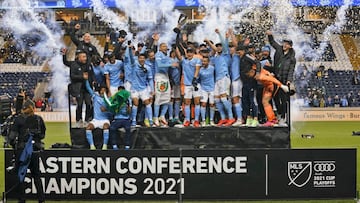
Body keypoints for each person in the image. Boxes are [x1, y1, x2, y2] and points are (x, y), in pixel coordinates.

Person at [9, 97, 45, 203]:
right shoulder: (38, 119)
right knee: (36, 176)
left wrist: (14, 146)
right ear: (33, 108)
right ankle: (41, 200)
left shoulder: (19, 119)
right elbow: (42, 135)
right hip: (34, 150)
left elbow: (12, 137)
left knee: (21, 175)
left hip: (22, 150)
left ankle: (22, 199)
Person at [204, 28, 235, 126]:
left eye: (220, 46)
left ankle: (231, 117)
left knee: (223, 98)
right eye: (217, 46)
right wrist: (208, 43)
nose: (219, 48)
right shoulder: (215, 58)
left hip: (224, 78)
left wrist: (219, 34)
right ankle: (223, 118)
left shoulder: (226, 55)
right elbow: (212, 52)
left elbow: (224, 44)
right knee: (217, 99)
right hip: (217, 80)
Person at [266, 30, 296, 126]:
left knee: (283, 100)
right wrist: (270, 35)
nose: (284, 45)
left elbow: (291, 70)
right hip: (276, 78)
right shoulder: (279, 50)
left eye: (286, 44)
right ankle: (279, 114)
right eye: (284, 43)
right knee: (275, 97)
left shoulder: (292, 58)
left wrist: (289, 80)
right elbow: (272, 43)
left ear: (290, 46)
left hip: (284, 81)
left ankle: (283, 117)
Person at [62, 48, 92, 127]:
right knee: (80, 104)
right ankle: (79, 120)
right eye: (83, 57)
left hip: (87, 88)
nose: (85, 58)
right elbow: (72, 76)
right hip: (78, 88)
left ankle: (87, 120)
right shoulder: (74, 65)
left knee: (89, 104)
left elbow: (91, 75)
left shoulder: (88, 64)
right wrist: (82, 77)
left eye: (85, 56)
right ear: (78, 57)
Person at [175, 46, 201, 127]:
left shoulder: (197, 60)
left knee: (197, 102)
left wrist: (194, 78)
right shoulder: (184, 61)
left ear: (193, 53)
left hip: (195, 84)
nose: (189, 53)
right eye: (188, 52)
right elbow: (178, 54)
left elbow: (197, 69)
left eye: (191, 52)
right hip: (187, 85)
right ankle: (187, 120)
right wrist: (176, 43)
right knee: (187, 102)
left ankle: (196, 120)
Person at [128, 48, 154, 127]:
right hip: (134, 88)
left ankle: (150, 120)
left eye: (143, 58)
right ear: (138, 58)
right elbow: (131, 58)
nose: (141, 59)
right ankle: (134, 121)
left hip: (143, 88)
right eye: (140, 58)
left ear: (145, 59)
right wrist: (129, 49)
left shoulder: (148, 68)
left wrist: (152, 90)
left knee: (147, 103)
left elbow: (150, 79)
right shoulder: (134, 65)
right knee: (135, 103)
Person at [153, 42, 178, 127]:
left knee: (167, 98)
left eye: (166, 46)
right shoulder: (158, 55)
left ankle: (162, 116)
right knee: (159, 97)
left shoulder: (167, 57)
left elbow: (175, 65)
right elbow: (160, 65)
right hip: (159, 77)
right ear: (160, 48)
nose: (165, 48)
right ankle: (155, 117)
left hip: (166, 77)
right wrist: (171, 64)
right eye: (163, 46)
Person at [84, 76, 112, 150]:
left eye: (104, 90)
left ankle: (104, 146)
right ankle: (92, 146)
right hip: (96, 120)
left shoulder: (109, 101)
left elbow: (112, 113)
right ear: (99, 91)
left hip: (105, 120)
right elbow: (88, 88)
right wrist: (86, 80)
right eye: (102, 90)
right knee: (88, 128)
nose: (103, 92)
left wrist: (106, 110)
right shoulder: (95, 97)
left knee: (106, 127)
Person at [198, 56, 216, 126]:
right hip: (203, 89)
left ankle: (211, 120)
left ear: (208, 62)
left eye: (205, 61)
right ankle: (203, 120)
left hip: (212, 88)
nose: (203, 63)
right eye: (203, 61)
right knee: (203, 104)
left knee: (212, 104)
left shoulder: (212, 68)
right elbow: (198, 79)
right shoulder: (200, 70)